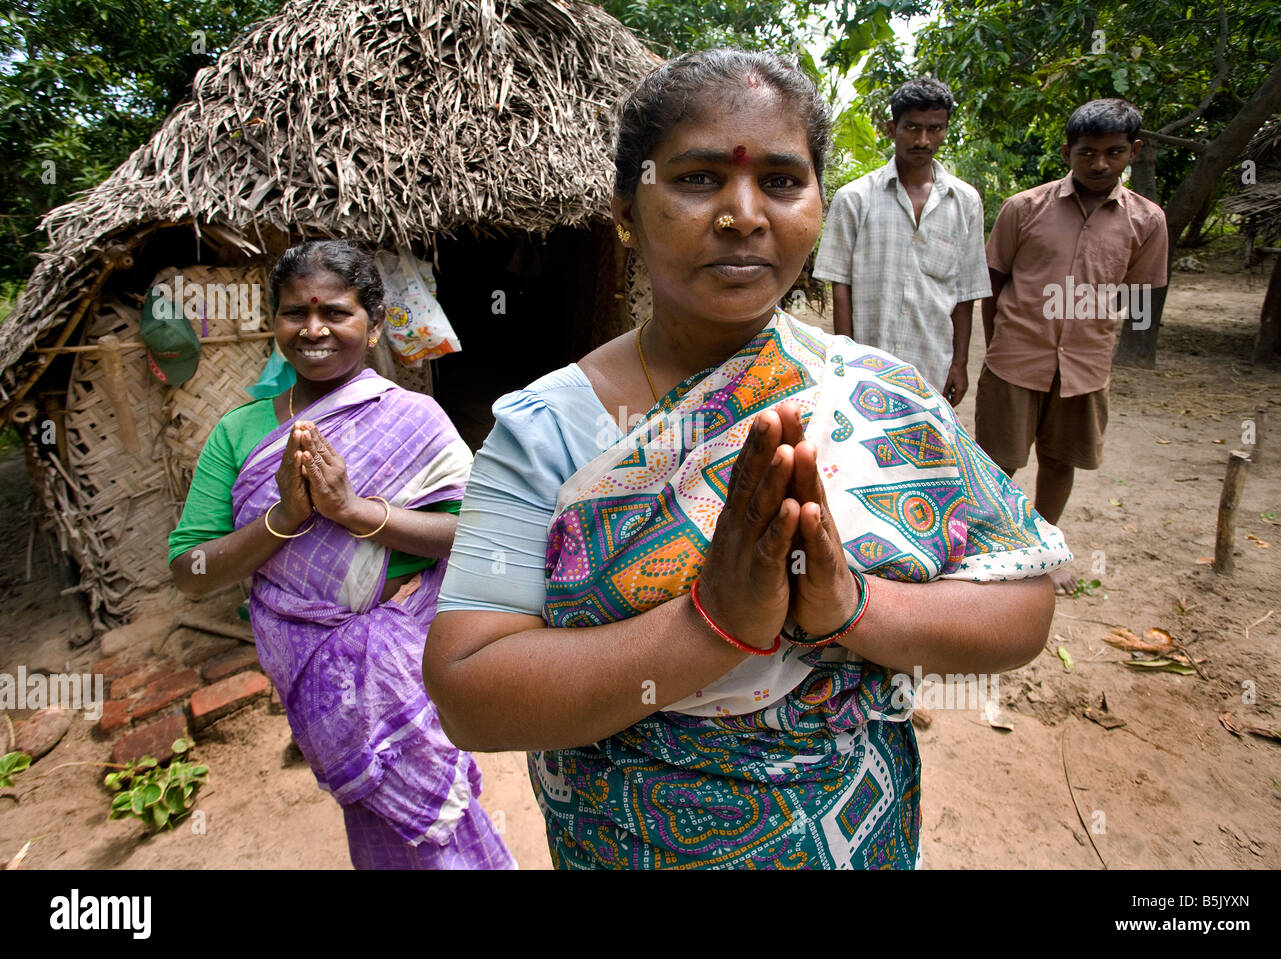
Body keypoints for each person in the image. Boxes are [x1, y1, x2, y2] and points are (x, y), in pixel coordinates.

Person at [424, 50, 1069, 870]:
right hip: (626, 842)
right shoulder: (546, 428)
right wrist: (710, 623)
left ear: (818, 207)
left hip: (856, 834)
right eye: (697, 179)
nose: (742, 213)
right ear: (626, 207)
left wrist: (852, 607)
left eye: (780, 180)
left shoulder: (881, 395)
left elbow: (1024, 604)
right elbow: (469, 694)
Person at [168, 240, 514, 870]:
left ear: (374, 324)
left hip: (409, 659)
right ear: (274, 322)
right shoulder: (239, 434)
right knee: (375, 814)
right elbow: (190, 573)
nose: (314, 329)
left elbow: (479, 534)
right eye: (295, 312)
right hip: (315, 664)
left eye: (335, 311)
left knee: (439, 808)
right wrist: (285, 518)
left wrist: (356, 513)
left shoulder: (417, 419)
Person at [975, 99, 1168, 594]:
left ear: (1134, 151)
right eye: (1087, 152)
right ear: (1067, 151)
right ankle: (993, 544)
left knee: (1060, 460)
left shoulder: (1147, 221)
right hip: (1017, 357)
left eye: (1114, 152)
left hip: (1085, 366)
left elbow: (1138, 293)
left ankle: (1043, 550)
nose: (1100, 163)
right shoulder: (1024, 208)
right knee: (998, 462)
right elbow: (993, 284)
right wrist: (1003, 340)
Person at [813, 77, 990, 405]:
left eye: (935, 128)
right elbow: (841, 287)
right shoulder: (855, 199)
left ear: (946, 129)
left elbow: (965, 295)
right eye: (912, 127)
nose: (923, 140)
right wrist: (844, 362)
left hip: (931, 369)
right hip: (864, 368)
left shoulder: (965, 202)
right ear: (891, 128)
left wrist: (960, 364)